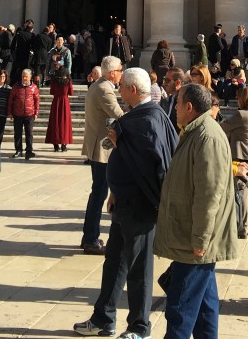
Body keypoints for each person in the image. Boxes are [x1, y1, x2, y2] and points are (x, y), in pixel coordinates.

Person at [74, 67, 178, 339]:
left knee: (139, 268)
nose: (119, 91)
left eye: (122, 87)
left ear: (133, 90)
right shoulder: (139, 116)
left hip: (141, 206)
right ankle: (103, 318)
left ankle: (139, 327)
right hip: (123, 204)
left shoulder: (148, 118)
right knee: (114, 262)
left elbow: (152, 160)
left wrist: (119, 140)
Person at [154, 83, 238, 339]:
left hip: (195, 241)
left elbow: (208, 194)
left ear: (189, 107)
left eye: (178, 103)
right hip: (192, 236)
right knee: (204, 307)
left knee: (180, 308)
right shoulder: (194, 131)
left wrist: (200, 240)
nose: (175, 107)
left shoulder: (207, 136)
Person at [80, 55, 124, 253]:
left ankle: (89, 236)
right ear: (112, 72)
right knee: (99, 194)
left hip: (96, 144)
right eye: (120, 70)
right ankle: (91, 238)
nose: (122, 74)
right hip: (102, 148)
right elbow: (119, 115)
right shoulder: (105, 89)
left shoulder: (97, 85)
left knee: (97, 192)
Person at [221, 86, 248, 236]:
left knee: (240, 193)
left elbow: (223, 127)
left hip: (241, 158)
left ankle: (241, 227)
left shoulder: (241, 115)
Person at [7, 68, 40, 160]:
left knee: (29, 133)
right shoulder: (16, 86)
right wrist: (10, 112)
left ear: (30, 77)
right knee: (17, 133)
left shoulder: (34, 87)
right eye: (23, 76)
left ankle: (29, 151)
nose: (24, 78)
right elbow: (11, 100)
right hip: (17, 113)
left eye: (26, 76)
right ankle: (18, 150)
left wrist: (36, 112)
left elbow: (37, 100)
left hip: (29, 114)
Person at [46, 68, 73, 152]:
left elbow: (52, 92)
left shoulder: (54, 81)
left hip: (56, 102)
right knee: (65, 123)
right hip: (65, 102)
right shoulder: (68, 81)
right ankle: (64, 144)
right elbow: (71, 92)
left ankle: (55, 145)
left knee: (55, 122)